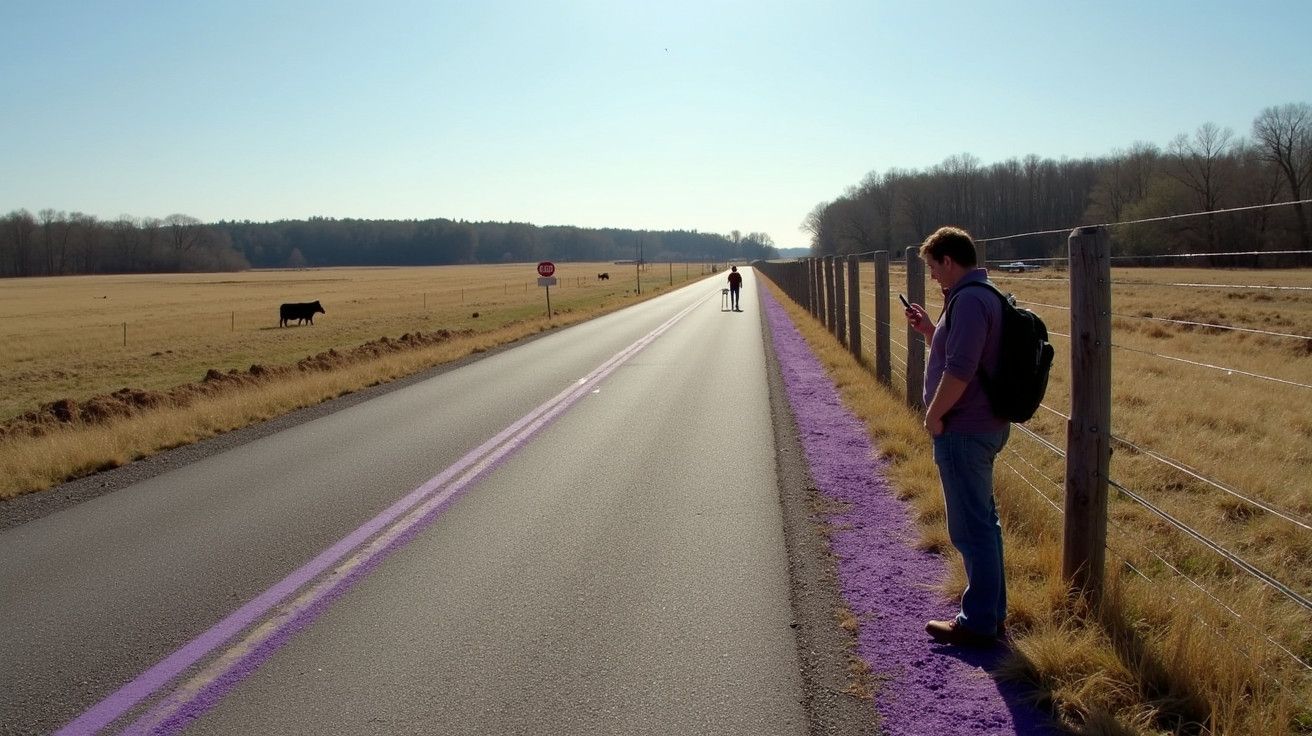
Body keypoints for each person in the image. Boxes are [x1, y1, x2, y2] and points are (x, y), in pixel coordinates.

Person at [903, 226, 1010, 646]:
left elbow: (961, 371)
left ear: (949, 260)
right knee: (985, 524)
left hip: (964, 430)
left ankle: (979, 621)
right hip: (985, 425)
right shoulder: (985, 296)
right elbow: (969, 357)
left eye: (933, 266)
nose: (932, 276)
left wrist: (933, 416)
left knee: (970, 529)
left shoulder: (968, 302)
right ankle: (992, 613)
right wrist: (931, 332)